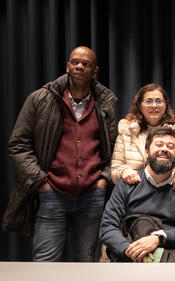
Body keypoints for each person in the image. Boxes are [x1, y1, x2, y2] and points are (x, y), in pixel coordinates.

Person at [3, 46, 117, 261]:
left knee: (85, 263)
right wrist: (40, 181)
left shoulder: (105, 104)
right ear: (67, 66)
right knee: (46, 264)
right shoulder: (41, 99)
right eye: (75, 62)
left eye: (86, 64)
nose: (79, 66)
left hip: (92, 195)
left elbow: (113, 148)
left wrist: (104, 179)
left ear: (95, 70)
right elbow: (18, 146)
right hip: (52, 194)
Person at [100, 127, 175, 262]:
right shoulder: (126, 185)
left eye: (170, 147)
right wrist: (131, 250)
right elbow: (108, 226)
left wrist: (158, 239)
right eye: (158, 145)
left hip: (170, 252)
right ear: (146, 152)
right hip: (129, 250)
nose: (164, 149)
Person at [111, 83, 175, 189]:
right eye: (149, 101)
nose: (154, 105)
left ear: (165, 105)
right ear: (139, 105)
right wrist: (124, 171)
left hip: (171, 191)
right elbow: (115, 171)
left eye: (159, 101)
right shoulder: (127, 131)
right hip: (135, 191)